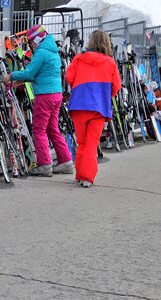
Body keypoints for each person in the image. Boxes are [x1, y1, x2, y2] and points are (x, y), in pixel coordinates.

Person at [3, 24, 73, 177]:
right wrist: (22, 80)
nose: (31, 45)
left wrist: (12, 76)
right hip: (56, 94)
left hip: (45, 95)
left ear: (38, 39)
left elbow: (30, 72)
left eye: (31, 42)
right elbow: (40, 73)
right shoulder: (53, 51)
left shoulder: (41, 52)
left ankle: (44, 165)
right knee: (52, 129)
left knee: (39, 130)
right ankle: (66, 161)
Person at [66, 29, 121, 188]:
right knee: (91, 143)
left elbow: (69, 77)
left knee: (82, 142)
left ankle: (80, 174)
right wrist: (104, 95)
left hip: (79, 104)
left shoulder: (79, 58)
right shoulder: (110, 62)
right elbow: (116, 86)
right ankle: (87, 177)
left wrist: (81, 86)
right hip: (98, 107)